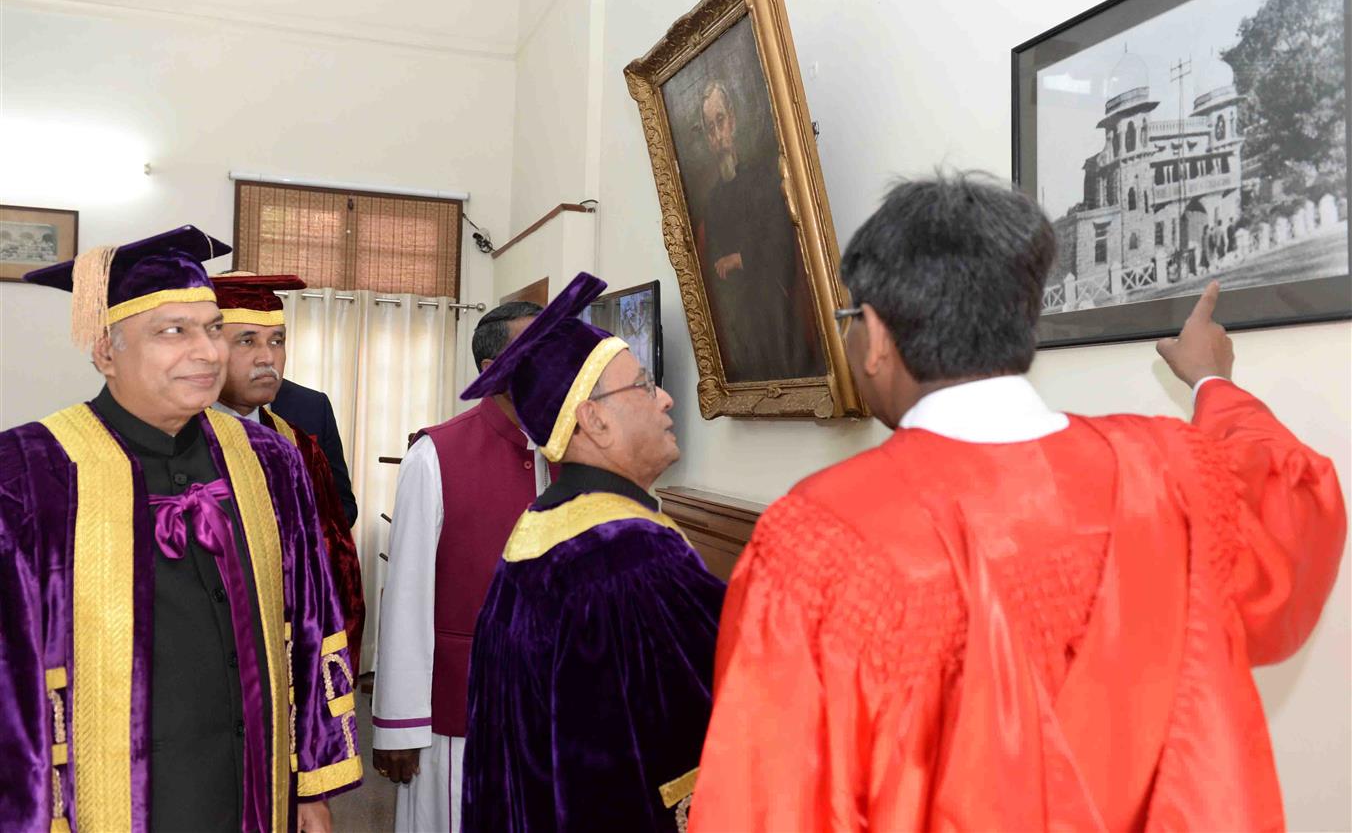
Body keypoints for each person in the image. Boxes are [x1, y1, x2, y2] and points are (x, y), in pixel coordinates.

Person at [690, 173, 1346, 831]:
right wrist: (1211, 380)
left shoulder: (819, 544)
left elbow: (765, 802)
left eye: (850, 322)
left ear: (878, 335)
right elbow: (1291, 503)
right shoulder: (1174, 474)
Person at [0, 228, 362, 832]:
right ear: (105, 351)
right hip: (112, 802)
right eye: (174, 331)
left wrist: (311, 789)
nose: (208, 352)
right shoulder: (31, 471)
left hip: (256, 785)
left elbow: (312, 622)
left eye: (213, 328)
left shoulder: (269, 460)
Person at [460, 272, 726, 832]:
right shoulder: (633, 557)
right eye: (644, 384)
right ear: (593, 418)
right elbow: (711, 735)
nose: (666, 396)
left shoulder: (538, 534)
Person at [372, 300, 547, 833]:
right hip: (461, 713)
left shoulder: (572, 449)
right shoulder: (436, 455)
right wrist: (399, 727)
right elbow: (406, 598)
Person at [210, 272, 367, 676]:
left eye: (277, 341)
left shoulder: (306, 411)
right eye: (247, 341)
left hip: (294, 618)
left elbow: (341, 509)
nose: (267, 358)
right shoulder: (175, 424)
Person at [695, 78, 823, 382]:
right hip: (738, 315)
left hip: (771, 301)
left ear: (733, 122)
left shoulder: (763, 179)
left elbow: (778, 242)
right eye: (710, 128)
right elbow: (712, 271)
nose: (717, 134)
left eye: (720, 121)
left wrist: (740, 259)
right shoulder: (712, 201)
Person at [272, 377, 358, 528]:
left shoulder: (313, 406)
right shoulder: (215, 408)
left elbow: (343, 505)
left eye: (277, 350)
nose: (266, 357)